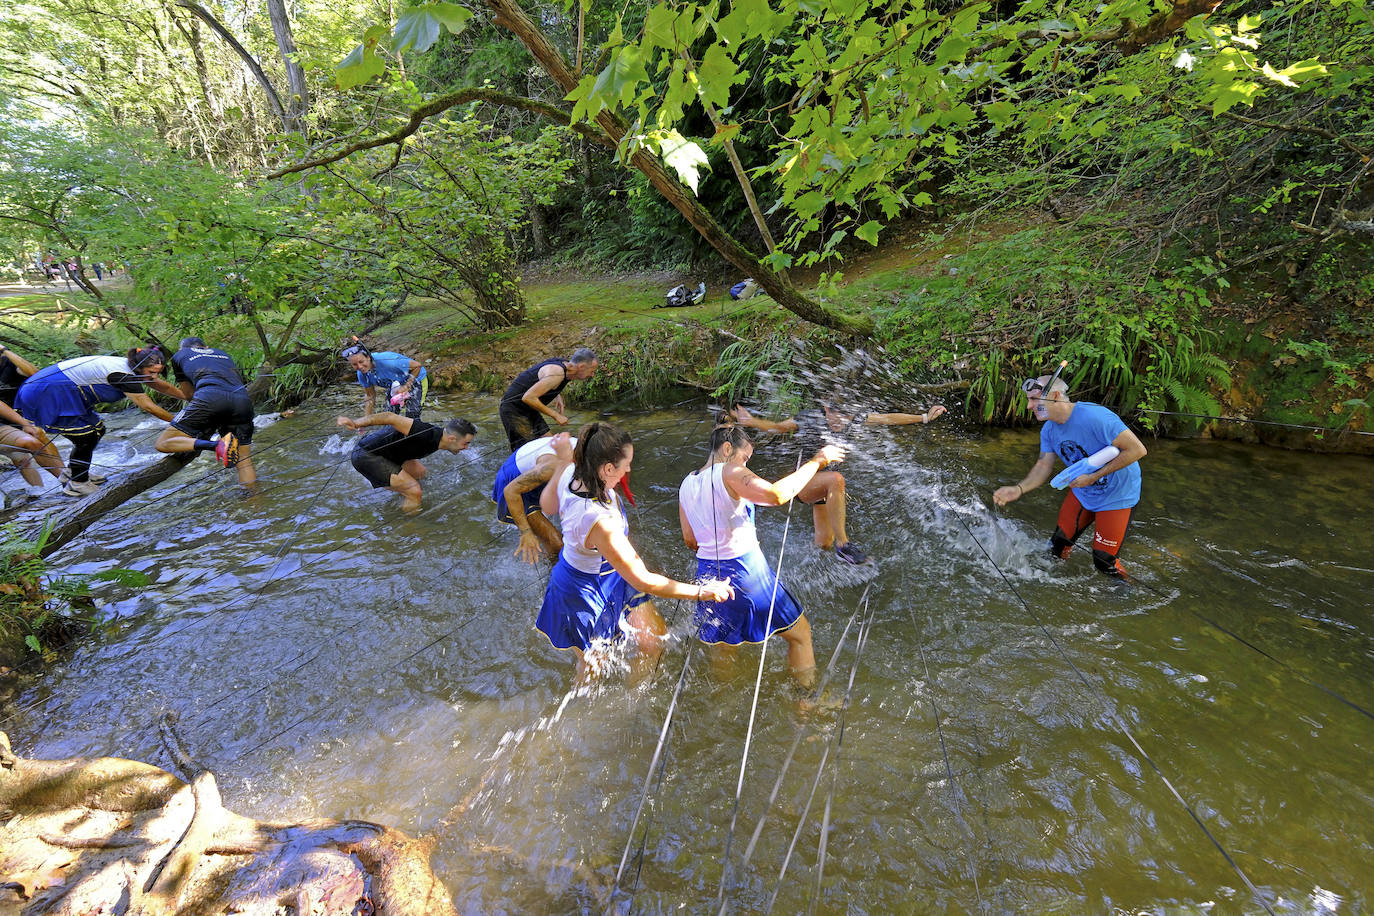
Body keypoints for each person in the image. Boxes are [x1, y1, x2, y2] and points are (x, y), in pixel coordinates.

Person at [535, 424, 733, 682]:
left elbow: (547, 505)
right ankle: (585, 714)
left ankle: (633, 705)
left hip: (612, 577)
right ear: (607, 468)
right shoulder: (599, 522)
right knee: (593, 670)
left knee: (653, 642)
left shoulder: (576, 471)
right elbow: (643, 579)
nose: (629, 469)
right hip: (582, 592)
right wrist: (701, 592)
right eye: (626, 464)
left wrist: (562, 462)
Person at [679, 425, 845, 687]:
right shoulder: (730, 471)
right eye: (745, 458)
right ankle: (806, 705)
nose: (746, 464)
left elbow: (690, 539)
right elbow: (776, 495)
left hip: (708, 578)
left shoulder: (686, 483)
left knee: (723, 645)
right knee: (800, 634)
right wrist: (818, 461)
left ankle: (722, 703)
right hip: (746, 572)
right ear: (726, 449)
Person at [724, 401, 946, 565]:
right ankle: (845, 546)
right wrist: (751, 422)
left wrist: (924, 417)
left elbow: (888, 417)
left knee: (823, 543)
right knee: (836, 479)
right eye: (837, 418)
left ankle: (803, 563)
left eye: (847, 419)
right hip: (805, 481)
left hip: (825, 488)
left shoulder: (854, 415)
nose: (842, 423)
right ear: (827, 409)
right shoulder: (810, 417)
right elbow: (778, 427)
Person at [992, 372, 1147, 577]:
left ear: (1055, 396)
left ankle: (1125, 595)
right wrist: (1019, 488)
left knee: (1104, 562)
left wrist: (1093, 477)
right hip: (1083, 490)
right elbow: (1043, 466)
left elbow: (1137, 450)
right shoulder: (1048, 430)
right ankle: (1055, 582)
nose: (1029, 406)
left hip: (1118, 495)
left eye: (1034, 400)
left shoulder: (1096, 417)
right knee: (1056, 547)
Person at [15, 347, 186, 496]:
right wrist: (180, 423)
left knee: (97, 430)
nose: (154, 376)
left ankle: (74, 472)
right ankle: (78, 484)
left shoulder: (136, 368)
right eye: (151, 372)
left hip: (63, 390)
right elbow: (148, 407)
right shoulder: (122, 375)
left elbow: (159, 385)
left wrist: (188, 397)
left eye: (158, 372)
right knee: (86, 436)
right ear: (139, 367)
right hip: (48, 392)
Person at [154, 337, 257, 485]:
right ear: (206, 347)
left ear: (181, 350)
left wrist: (204, 417)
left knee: (162, 443)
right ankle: (254, 502)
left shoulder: (179, 356)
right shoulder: (222, 353)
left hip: (209, 397)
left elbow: (189, 394)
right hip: (243, 400)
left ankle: (217, 445)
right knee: (244, 461)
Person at [336, 411, 475, 512]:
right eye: (466, 443)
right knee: (415, 491)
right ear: (452, 439)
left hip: (389, 455)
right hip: (366, 455)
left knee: (420, 472)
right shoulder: (425, 432)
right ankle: (409, 529)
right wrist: (356, 422)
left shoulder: (439, 439)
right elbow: (390, 417)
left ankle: (402, 501)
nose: (467, 448)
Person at [491, 434, 579, 564]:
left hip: (537, 476)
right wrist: (525, 532)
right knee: (558, 546)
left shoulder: (595, 455)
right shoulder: (551, 466)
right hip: (514, 483)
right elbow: (510, 491)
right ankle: (554, 574)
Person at [498, 349, 599, 451]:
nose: (592, 375)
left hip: (530, 409)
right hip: (513, 410)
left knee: (551, 446)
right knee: (525, 451)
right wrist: (556, 415)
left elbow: (544, 379)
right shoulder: (557, 373)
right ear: (581, 366)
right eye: (592, 370)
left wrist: (557, 394)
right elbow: (528, 397)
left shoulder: (565, 366)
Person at [0, 344, 63, 487]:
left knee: (38, 438)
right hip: (5, 422)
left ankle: (68, 478)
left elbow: (35, 373)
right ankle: (41, 492)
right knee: (21, 456)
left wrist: (5, 350)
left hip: (19, 414)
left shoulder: (9, 364)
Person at [340, 340, 428, 419]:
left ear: (368, 357)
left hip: (417, 379)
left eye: (361, 362)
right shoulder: (362, 374)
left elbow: (417, 365)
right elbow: (370, 396)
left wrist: (407, 386)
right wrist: (366, 419)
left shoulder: (389, 362)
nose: (359, 367)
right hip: (395, 385)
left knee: (412, 414)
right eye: (354, 364)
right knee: (389, 415)